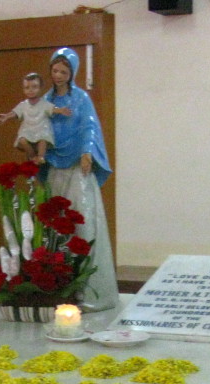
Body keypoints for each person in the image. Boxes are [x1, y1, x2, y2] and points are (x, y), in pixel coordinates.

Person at [42, 46, 119, 312]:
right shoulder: (46, 100)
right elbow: (38, 125)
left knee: (82, 223)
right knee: (54, 227)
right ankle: (58, 290)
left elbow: (89, 126)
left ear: (72, 72)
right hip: (54, 165)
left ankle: (90, 292)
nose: (59, 75)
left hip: (77, 167)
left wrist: (87, 151)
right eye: (55, 70)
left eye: (64, 71)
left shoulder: (81, 99)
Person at [0, 72, 71, 165]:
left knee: (43, 139)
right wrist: (7, 116)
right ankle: (31, 156)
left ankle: (40, 156)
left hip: (41, 127)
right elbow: (15, 112)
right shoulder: (23, 105)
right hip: (28, 129)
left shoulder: (43, 103)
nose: (30, 90)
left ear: (40, 88)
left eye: (34, 87)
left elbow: (51, 108)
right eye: (27, 88)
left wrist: (60, 110)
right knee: (22, 140)